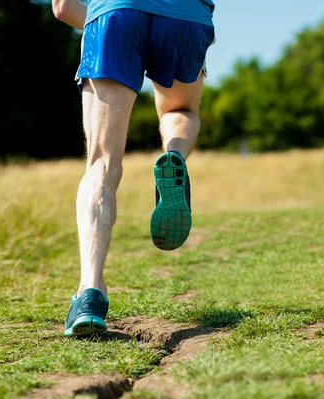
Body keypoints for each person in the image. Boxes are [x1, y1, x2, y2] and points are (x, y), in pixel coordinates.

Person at [51, 0, 215, 337]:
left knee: (102, 165)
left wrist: (110, 26)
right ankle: (175, 155)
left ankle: (90, 293)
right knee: (180, 109)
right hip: (186, 16)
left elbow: (63, 8)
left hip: (114, 12)